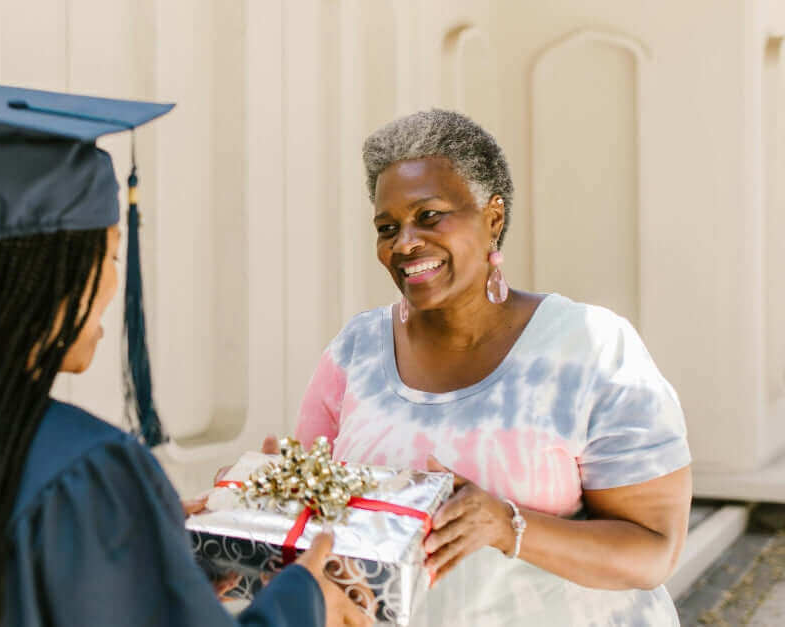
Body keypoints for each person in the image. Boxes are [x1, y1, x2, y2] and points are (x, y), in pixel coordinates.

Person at [0, 82, 368, 627]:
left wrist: (155, 565)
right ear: (52, 272)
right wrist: (305, 600)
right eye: (111, 255)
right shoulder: (85, 471)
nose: (114, 287)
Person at [292, 109, 692, 626]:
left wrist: (507, 526)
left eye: (429, 216)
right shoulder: (356, 351)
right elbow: (309, 526)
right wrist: (257, 501)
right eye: (387, 227)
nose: (404, 242)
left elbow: (651, 551)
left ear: (493, 218)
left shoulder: (590, 349)